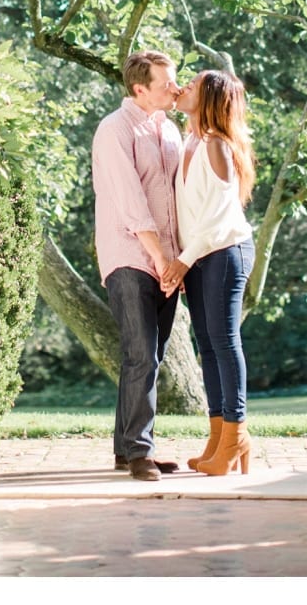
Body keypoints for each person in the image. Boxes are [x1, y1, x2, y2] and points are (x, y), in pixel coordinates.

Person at [91, 50, 184, 482]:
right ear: (139, 88)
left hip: (167, 260)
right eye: (165, 83)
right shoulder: (114, 129)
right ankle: (139, 452)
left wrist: (178, 259)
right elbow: (130, 201)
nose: (174, 87)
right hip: (130, 255)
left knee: (151, 355)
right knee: (140, 353)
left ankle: (125, 447)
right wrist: (161, 257)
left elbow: (179, 198)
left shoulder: (170, 131)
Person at [159, 69, 257, 476]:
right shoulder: (190, 142)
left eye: (193, 85)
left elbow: (216, 219)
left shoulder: (217, 146)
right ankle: (219, 437)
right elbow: (187, 216)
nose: (183, 87)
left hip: (223, 252)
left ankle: (235, 436)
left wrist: (182, 260)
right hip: (200, 256)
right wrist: (183, 257)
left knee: (223, 341)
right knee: (209, 347)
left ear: (210, 98)